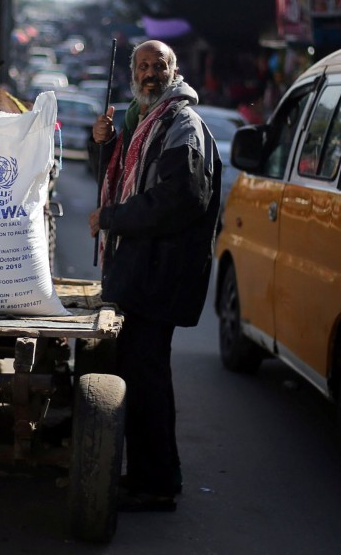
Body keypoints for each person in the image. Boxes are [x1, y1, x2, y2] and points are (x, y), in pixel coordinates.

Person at [87, 40, 222, 512]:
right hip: (136, 273)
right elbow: (118, 177)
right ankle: (149, 475)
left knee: (145, 380)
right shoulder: (140, 123)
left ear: (174, 70)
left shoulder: (182, 125)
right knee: (137, 377)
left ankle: (157, 483)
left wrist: (112, 219)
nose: (150, 73)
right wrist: (101, 144)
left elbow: (180, 200)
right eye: (142, 66)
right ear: (132, 72)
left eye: (158, 65)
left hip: (158, 277)